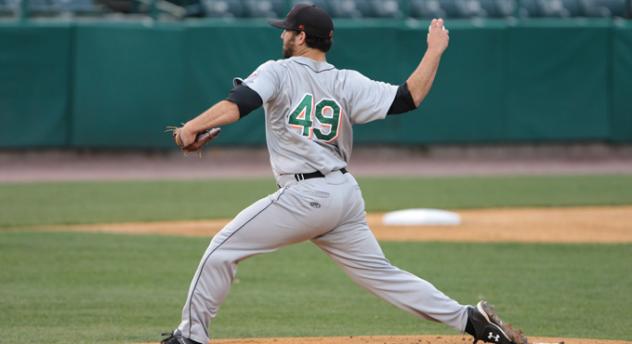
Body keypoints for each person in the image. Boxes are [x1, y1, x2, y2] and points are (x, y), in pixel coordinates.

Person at [162, 4, 527, 344]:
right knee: (385, 276)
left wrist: (190, 128)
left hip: (305, 195)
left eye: (287, 31)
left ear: (301, 36)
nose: (281, 36)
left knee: (221, 251)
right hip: (343, 195)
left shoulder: (277, 69)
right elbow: (408, 98)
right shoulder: (346, 81)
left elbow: (238, 104)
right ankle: (470, 321)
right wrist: (434, 51)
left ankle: (190, 336)